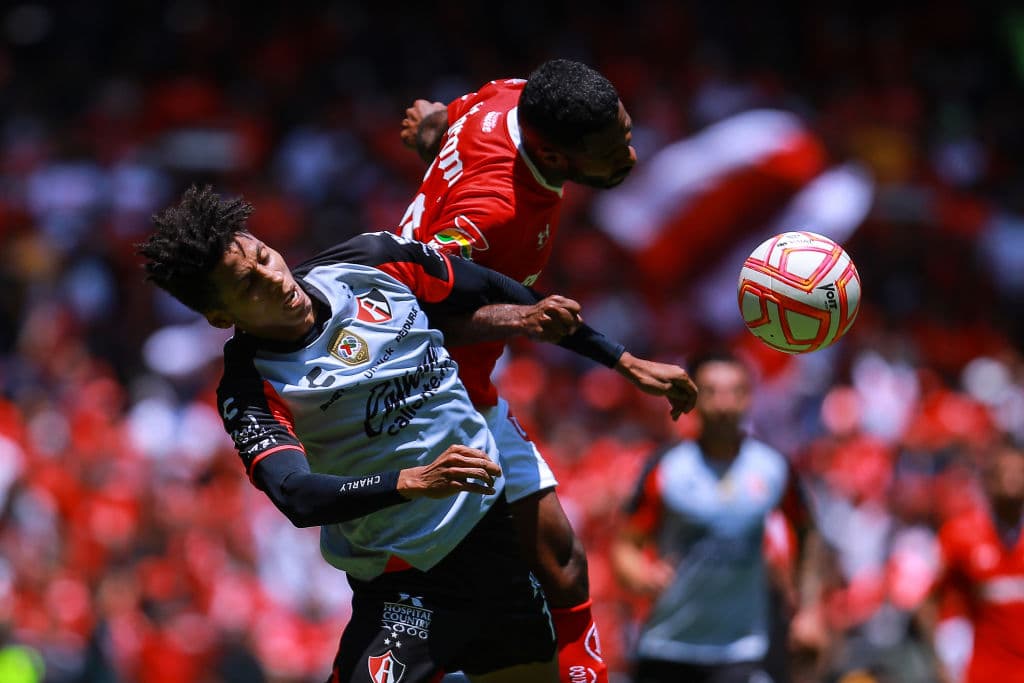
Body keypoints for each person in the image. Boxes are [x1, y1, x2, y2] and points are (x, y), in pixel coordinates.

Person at [137, 185, 674, 682]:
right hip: (404, 585)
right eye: (248, 284)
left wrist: (617, 358)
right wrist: (412, 481)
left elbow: (484, 286)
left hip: (490, 546)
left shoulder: (370, 262)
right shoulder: (249, 385)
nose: (274, 278)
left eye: (262, 256)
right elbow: (295, 494)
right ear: (217, 314)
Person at [398, 57, 697, 683]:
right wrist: (520, 322)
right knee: (463, 593)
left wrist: (430, 128)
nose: (631, 156)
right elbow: (418, 312)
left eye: (627, 132)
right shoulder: (494, 213)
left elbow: (445, 120)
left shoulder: (515, 95)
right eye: (612, 150)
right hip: (420, 388)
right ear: (556, 158)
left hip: (469, 380)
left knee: (560, 556)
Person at [610, 350, 821, 683]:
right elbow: (625, 545)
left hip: (744, 648)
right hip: (668, 644)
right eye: (711, 391)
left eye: (734, 391)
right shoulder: (667, 468)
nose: (724, 404)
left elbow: (809, 534)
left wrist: (809, 610)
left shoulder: (772, 468)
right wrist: (641, 575)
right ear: (692, 396)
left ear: (749, 397)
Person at [925, 439, 1024, 683]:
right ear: (988, 481)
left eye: (1018, 472)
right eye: (1003, 473)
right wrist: (941, 659)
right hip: (983, 672)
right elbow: (929, 600)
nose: (1011, 480)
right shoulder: (960, 535)